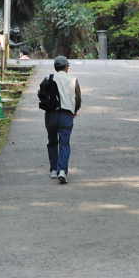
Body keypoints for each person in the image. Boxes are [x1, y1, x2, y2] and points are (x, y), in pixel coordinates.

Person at [44, 55, 81, 184]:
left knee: (52, 141)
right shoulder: (73, 79)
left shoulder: (49, 78)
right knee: (64, 143)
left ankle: (53, 169)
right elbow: (78, 98)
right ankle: (62, 171)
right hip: (66, 115)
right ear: (66, 67)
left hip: (50, 115)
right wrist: (75, 110)